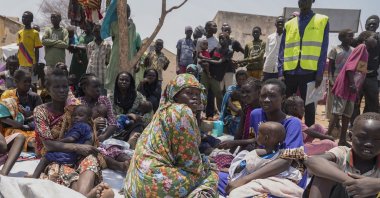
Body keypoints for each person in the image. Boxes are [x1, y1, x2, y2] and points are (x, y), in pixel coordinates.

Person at [125, 74, 218, 197]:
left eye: (197, 94)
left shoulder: (162, 111)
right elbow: (190, 163)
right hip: (153, 185)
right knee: (212, 175)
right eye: (189, 93)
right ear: (175, 95)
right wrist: (205, 163)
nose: (195, 97)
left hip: (134, 185)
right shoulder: (182, 111)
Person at [224, 79, 306, 196]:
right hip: (263, 165)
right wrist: (239, 168)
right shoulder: (255, 114)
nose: (266, 100)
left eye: (272, 96)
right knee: (220, 179)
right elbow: (256, 144)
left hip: (287, 170)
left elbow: (287, 161)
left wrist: (245, 179)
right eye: (263, 96)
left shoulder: (292, 123)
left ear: (282, 98)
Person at [33, 68, 104, 195]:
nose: (62, 90)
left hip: (78, 154)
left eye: (65, 86)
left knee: (91, 160)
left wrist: (92, 133)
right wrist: (78, 147)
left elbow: (89, 130)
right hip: (53, 155)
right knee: (58, 170)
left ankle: (83, 194)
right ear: (48, 90)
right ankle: (87, 195)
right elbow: (48, 145)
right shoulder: (41, 111)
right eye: (56, 87)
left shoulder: (76, 108)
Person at [303, 112, 380, 198]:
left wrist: (376, 185)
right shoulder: (343, 152)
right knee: (327, 170)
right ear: (351, 136)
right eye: (362, 137)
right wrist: (354, 183)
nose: (369, 144)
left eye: (377, 139)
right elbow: (312, 161)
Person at [278, 0, 329, 127]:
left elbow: (323, 49)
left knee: (309, 106)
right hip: (290, 72)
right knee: (286, 104)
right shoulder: (289, 24)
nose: (303, 1)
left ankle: (309, 135)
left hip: (309, 72)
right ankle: (286, 129)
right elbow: (282, 50)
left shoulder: (322, 20)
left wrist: (319, 72)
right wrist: (280, 72)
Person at [228, 122, 304, 197]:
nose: (257, 137)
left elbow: (238, 173)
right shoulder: (282, 154)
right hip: (281, 184)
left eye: (258, 134)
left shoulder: (253, 155)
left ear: (265, 138)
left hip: (258, 184)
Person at [329, 31, 376, 147]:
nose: (375, 40)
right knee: (337, 113)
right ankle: (326, 136)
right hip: (346, 85)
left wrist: (357, 88)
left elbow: (361, 72)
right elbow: (350, 67)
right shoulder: (361, 47)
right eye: (373, 38)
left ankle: (342, 140)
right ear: (365, 38)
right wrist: (351, 84)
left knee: (347, 114)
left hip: (353, 88)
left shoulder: (366, 51)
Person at [32, 105, 94, 179]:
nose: (76, 117)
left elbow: (71, 138)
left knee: (45, 158)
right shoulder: (88, 127)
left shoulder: (79, 126)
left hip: (68, 154)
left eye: (80, 115)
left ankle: (34, 177)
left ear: (89, 118)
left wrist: (58, 141)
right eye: (74, 115)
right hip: (75, 156)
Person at [102, 3, 141, 95]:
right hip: (116, 56)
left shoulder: (133, 26)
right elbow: (113, 37)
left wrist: (137, 62)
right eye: (120, 11)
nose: (123, 13)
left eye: (126, 11)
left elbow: (137, 46)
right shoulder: (114, 25)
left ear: (129, 13)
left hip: (129, 58)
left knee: (127, 83)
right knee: (113, 83)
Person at [1, 70, 43, 151]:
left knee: (43, 134)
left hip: (31, 127)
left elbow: (41, 115)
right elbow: (3, 117)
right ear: (16, 82)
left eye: (29, 81)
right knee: (19, 135)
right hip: (12, 128)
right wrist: (19, 125)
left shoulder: (35, 97)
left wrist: (29, 115)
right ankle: (33, 144)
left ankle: (37, 144)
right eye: (25, 82)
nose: (28, 84)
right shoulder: (7, 95)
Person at [351, 15, 380, 124]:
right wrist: (361, 39)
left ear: (378, 26)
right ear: (366, 24)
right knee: (354, 102)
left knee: (373, 103)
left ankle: (367, 124)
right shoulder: (360, 37)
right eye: (370, 23)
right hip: (357, 77)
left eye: (375, 24)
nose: (372, 25)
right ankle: (354, 125)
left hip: (372, 77)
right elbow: (348, 43)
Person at [77, 74, 118, 143]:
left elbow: (113, 122)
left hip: (105, 135)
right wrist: (93, 124)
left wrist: (104, 136)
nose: (99, 89)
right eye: (95, 87)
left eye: (99, 86)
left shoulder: (104, 100)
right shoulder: (78, 103)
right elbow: (76, 125)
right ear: (84, 89)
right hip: (86, 137)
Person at [111, 72, 152, 140]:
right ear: (117, 81)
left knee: (138, 126)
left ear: (131, 82)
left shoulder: (138, 96)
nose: (124, 82)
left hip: (133, 125)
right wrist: (129, 115)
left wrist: (140, 118)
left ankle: (131, 140)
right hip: (116, 125)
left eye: (127, 80)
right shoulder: (111, 96)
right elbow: (111, 115)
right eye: (121, 79)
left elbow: (148, 111)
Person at [202, 32, 233, 120]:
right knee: (204, 94)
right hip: (207, 74)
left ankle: (224, 115)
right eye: (220, 38)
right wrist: (204, 60)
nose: (221, 40)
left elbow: (220, 62)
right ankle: (207, 114)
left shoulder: (229, 52)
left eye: (223, 38)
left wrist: (205, 59)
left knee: (219, 96)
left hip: (216, 77)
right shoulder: (216, 49)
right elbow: (209, 57)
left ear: (228, 39)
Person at [326, 29, 354, 126]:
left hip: (348, 79)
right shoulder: (335, 49)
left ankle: (340, 122)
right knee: (333, 100)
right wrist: (330, 79)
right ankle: (334, 123)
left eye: (352, 36)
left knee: (344, 101)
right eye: (349, 36)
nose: (351, 38)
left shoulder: (353, 50)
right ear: (341, 38)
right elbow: (331, 66)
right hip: (336, 77)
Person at [17, 11, 42, 89]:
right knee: (22, 84)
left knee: (32, 84)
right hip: (21, 64)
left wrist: (36, 63)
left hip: (31, 63)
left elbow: (37, 50)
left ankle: (34, 100)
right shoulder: (19, 33)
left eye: (26, 17)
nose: (23, 19)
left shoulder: (35, 33)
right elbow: (19, 48)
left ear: (31, 19)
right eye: (23, 17)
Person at [219, 70, 249, 135]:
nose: (241, 81)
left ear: (247, 79)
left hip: (245, 112)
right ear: (236, 79)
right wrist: (238, 111)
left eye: (243, 79)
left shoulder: (249, 89)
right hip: (232, 114)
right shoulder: (232, 89)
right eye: (239, 79)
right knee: (237, 121)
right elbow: (229, 103)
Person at [86, 24, 111, 94]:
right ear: (93, 33)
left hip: (102, 75)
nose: (97, 33)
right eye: (96, 31)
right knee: (91, 94)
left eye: (99, 31)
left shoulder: (107, 45)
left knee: (102, 96)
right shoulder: (90, 45)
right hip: (91, 73)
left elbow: (108, 60)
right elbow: (89, 58)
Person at [262, 16, 285, 81]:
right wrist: (263, 69)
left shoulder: (287, 37)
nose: (280, 24)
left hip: (280, 70)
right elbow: (266, 53)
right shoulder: (270, 37)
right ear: (275, 24)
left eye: (282, 22)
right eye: (278, 22)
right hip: (268, 68)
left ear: (284, 24)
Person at [32, 25, 47, 89]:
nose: (35, 31)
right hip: (35, 61)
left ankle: (44, 90)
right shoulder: (32, 38)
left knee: (39, 76)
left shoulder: (41, 38)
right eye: (34, 29)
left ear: (39, 30)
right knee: (38, 76)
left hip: (40, 61)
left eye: (36, 29)